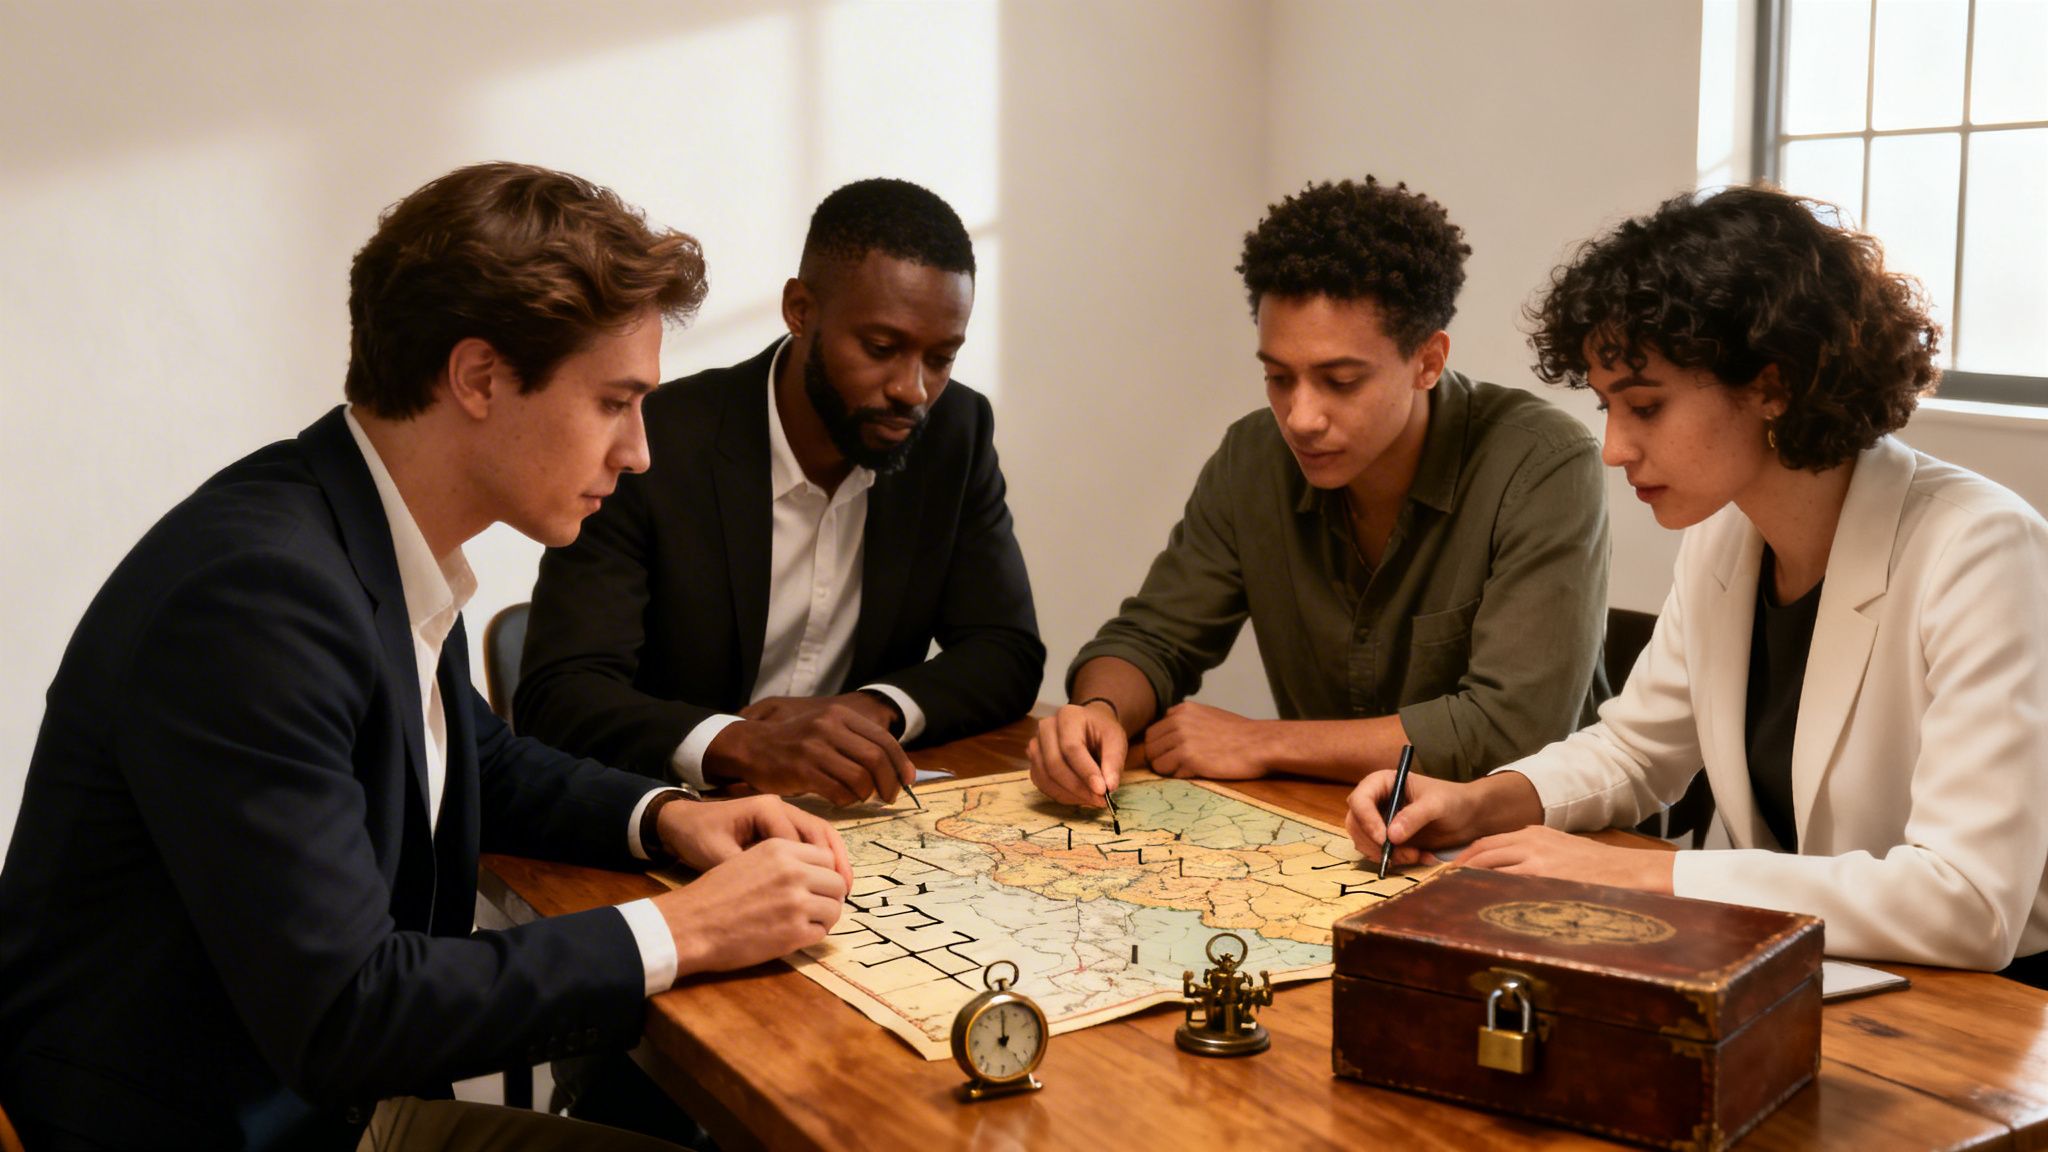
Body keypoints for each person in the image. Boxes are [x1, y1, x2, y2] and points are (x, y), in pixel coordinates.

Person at [0, 163, 856, 1150]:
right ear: (480, 377)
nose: (638, 452)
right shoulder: (255, 601)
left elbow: (478, 759)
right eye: (615, 402)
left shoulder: (356, 524)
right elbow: (347, 1012)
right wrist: (689, 930)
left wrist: (666, 819)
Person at [1348, 185, 2048, 982]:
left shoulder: (1981, 548)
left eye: (1645, 407)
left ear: (1773, 386)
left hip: (1983, 1009)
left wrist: (1652, 875)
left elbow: (1969, 903)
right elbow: (1639, 750)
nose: (1613, 450)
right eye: (1609, 407)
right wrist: (1478, 802)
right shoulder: (1728, 528)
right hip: (1791, 970)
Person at [1029, 177, 1609, 807]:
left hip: (1529, 848)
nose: (1300, 417)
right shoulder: (1253, 457)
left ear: (1428, 361)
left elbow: (1511, 731)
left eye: (1340, 381)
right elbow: (1152, 639)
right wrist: (1099, 710)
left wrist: (1263, 742)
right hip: (1339, 830)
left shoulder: (1543, 463)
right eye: (1279, 377)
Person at [517, 178, 1042, 806]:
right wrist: (741, 744)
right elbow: (563, 693)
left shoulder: (954, 432)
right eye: (882, 348)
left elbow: (1004, 649)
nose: (914, 389)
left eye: (941, 357)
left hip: (852, 823)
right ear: (800, 310)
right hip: (666, 812)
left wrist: (870, 712)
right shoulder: (653, 444)